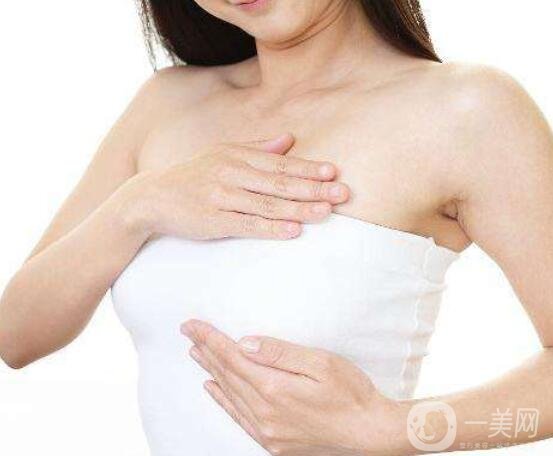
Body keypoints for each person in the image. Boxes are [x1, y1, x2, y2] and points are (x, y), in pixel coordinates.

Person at [1, 0, 553, 454]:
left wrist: (393, 428)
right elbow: (16, 335)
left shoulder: (468, 110)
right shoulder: (166, 103)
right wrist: (140, 203)